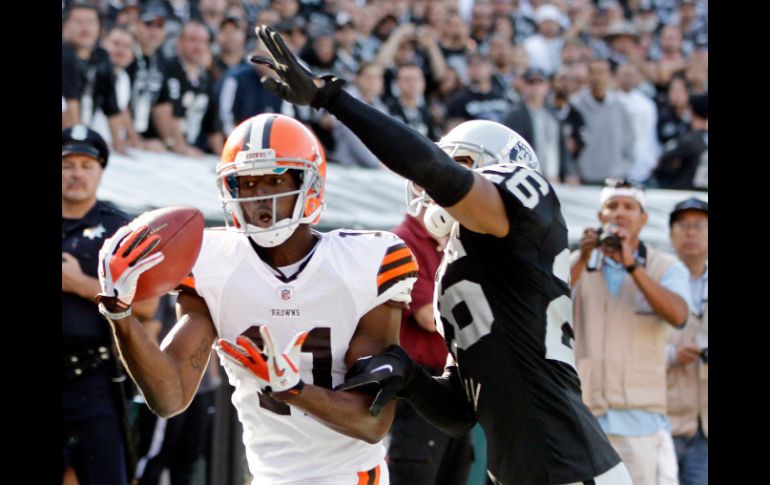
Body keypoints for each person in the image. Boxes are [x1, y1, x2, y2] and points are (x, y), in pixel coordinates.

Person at [250, 25, 630, 484]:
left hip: (569, 465)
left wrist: (333, 100)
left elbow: (434, 170)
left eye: (463, 163)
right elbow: (462, 411)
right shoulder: (460, 264)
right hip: (520, 471)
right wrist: (411, 377)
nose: (433, 187)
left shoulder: (529, 209)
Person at [95, 113, 418, 484]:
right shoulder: (213, 262)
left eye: (274, 179)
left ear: (308, 183)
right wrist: (119, 314)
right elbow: (170, 397)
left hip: (350, 476)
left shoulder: (366, 262)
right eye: (246, 183)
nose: (260, 195)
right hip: (268, 476)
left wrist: (294, 390)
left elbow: (373, 421)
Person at [570, 179, 692, 485]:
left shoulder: (666, 267)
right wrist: (582, 258)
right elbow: (545, 305)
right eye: (612, 206)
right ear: (600, 216)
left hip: (640, 420)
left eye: (629, 207)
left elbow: (678, 315)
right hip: (584, 413)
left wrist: (631, 266)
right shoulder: (578, 262)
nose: (620, 214)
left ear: (644, 218)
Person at [62, 125, 158, 485]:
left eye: (86, 165)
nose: (76, 174)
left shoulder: (119, 231)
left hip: (95, 379)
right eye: (68, 164)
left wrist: (80, 284)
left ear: (100, 170)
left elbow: (148, 306)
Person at [387, 208, 473, 484]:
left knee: (455, 472)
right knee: (416, 472)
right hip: (418, 383)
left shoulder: (456, 236)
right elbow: (427, 317)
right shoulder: (404, 240)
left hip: (456, 378)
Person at [666, 197, 708, 485]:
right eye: (683, 225)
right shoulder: (653, 278)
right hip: (663, 420)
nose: (690, 232)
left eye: (698, 226)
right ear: (670, 234)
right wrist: (671, 355)